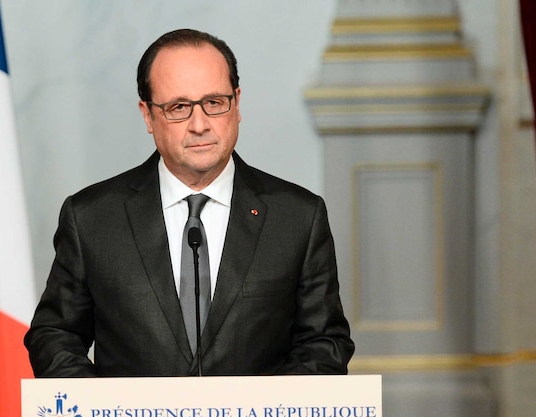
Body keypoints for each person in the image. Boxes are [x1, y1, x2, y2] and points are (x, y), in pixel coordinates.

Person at [24, 28, 354, 377]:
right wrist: (105, 416)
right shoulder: (92, 218)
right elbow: (55, 335)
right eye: (179, 108)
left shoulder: (297, 217)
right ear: (148, 116)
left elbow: (324, 343)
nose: (199, 124)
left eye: (214, 103)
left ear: (237, 104)